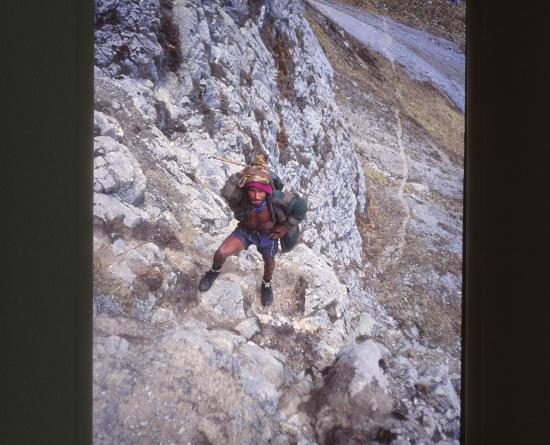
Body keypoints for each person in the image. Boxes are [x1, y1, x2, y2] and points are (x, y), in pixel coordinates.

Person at [198, 155, 307, 306]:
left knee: (269, 262)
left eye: (261, 192)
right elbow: (227, 192)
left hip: (268, 236)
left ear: (267, 191)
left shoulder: (277, 198)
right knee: (221, 253)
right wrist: (243, 173)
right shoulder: (242, 197)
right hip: (245, 232)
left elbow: (301, 206)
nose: (256, 196)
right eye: (252, 191)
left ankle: (266, 283)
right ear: (247, 190)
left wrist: (285, 226)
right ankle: (213, 272)